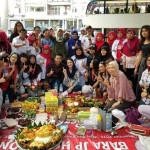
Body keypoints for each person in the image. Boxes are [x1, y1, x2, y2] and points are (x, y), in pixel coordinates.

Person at [135, 25, 150, 101]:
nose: (144, 32)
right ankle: (139, 98)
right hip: (142, 63)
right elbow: (140, 55)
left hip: (149, 61)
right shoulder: (141, 42)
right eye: (142, 31)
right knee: (140, 80)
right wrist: (136, 67)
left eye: (146, 31)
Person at [122, 29, 139, 93]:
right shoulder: (125, 42)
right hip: (127, 65)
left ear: (134, 34)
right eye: (128, 33)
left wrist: (136, 66)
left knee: (134, 80)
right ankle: (128, 94)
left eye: (131, 33)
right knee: (127, 80)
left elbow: (138, 54)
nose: (129, 34)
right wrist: (124, 64)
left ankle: (134, 94)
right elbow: (123, 54)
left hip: (134, 64)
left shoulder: (137, 41)